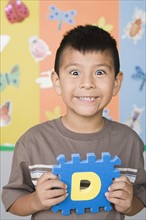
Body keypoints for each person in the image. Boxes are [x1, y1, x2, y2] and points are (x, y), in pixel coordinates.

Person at [2, 25, 146, 220]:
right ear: (57, 81)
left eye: (100, 72)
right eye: (75, 73)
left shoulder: (129, 141)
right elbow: (12, 201)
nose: (87, 83)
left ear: (116, 83)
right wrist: (36, 201)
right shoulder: (32, 142)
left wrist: (130, 205)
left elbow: (140, 196)